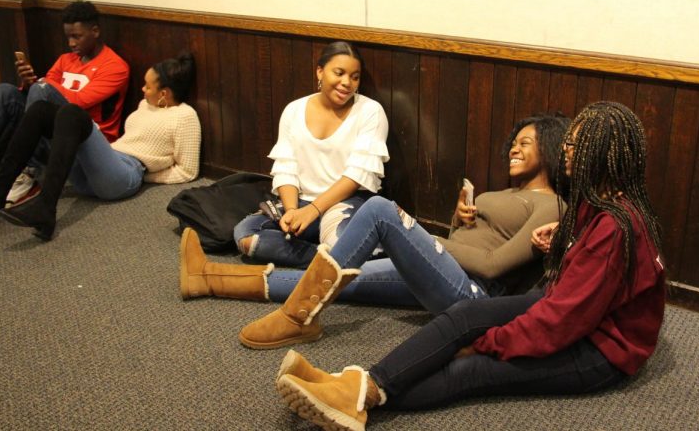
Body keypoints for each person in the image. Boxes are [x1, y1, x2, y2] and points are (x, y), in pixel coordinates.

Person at [273, 102, 666, 431]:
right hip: (565, 307)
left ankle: (358, 396)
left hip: (600, 351)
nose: (567, 150)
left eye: (577, 146)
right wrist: (563, 236)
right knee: (464, 316)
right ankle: (358, 384)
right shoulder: (600, 203)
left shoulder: (616, 227)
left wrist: (486, 344)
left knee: (474, 369)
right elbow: (574, 287)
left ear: (601, 156)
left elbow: (560, 324)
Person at [179, 114, 569, 350]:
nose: (514, 150)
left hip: (471, 293)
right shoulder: (507, 193)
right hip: (442, 271)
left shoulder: (551, 205)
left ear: (549, 150)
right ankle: (208, 279)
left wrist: (424, 237)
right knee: (338, 282)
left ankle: (297, 319)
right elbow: (466, 243)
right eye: (514, 143)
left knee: (380, 210)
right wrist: (455, 220)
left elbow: (493, 265)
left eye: (525, 143)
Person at [0, 54, 200, 241]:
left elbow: (187, 171)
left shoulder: (185, 117)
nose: (142, 90)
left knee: (73, 114)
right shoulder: (147, 106)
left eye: (148, 86)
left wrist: (146, 176)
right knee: (40, 110)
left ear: (164, 93)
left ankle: (46, 208)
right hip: (104, 163)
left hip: (125, 175)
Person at [0, 1, 130, 205]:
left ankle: (29, 173)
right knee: (5, 92)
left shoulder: (115, 67)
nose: (71, 43)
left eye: (77, 36)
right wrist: (29, 82)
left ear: (95, 31)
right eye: (68, 37)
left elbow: (77, 102)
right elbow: (46, 94)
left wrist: (42, 84)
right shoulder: (67, 59)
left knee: (42, 89)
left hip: (86, 143)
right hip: (52, 133)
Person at [232, 41, 389, 268]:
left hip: (346, 202)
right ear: (319, 71)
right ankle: (329, 260)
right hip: (301, 201)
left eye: (355, 77)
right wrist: (293, 211)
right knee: (247, 235)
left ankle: (336, 256)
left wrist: (313, 211)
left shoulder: (370, 111)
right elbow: (286, 168)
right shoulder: (294, 109)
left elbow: (357, 176)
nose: (347, 83)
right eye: (339, 73)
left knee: (339, 241)